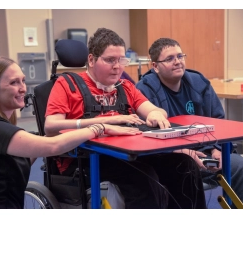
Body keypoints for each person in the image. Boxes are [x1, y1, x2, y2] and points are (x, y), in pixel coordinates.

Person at [44, 27, 207, 209]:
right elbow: (51, 126)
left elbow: (154, 110)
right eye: (110, 60)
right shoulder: (67, 84)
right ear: (91, 59)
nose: (117, 67)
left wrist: (155, 114)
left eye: (121, 60)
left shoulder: (125, 86)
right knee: (143, 178)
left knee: (184, 165)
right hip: (83, 160)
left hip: (126, 154)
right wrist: (105, 122)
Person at [0, 57, 143, 209]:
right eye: (13, 83)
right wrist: (99, 127)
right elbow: (52, 146)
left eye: (23, 80)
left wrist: (53, 136)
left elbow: (25, 156)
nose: (23, 88)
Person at [136, 37, 243, 209]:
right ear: (155, 66)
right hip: (172, 157)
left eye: (180, 56)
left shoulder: (199, 83)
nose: (177, 62)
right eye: (170, 59)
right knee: (184, 169)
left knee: (242, 167)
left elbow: (218, 121)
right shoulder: (144, 90)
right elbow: (144, 136)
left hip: (207, 152)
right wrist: (182, 151)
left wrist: (216, 149)